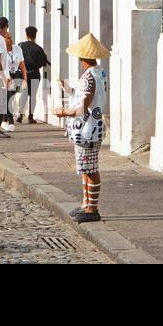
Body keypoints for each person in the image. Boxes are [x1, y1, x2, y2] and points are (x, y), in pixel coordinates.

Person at [55, 34, 110, 223]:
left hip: (87, 129)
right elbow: (85, 97)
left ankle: (92, 208)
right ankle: (86, 204)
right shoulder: (99, 72)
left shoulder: (89, 77)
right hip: (93, 126)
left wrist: (63, 112)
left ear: (82, 58)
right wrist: (68, 89)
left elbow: (82, 107)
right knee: (86, 167)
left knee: (90, 168)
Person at [17, 26, 50, 123]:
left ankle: (20, 115)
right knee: (33, 95)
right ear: (35, 36)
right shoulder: (38, 48)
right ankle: (30, 117)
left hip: (23, 74)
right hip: (35, 74)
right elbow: (42, 63)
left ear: (26, 35)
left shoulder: (20, 46)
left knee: (23, 94)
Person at [2, 28, 27, 133]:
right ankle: (8, 121)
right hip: (5, 75)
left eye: (11, 37)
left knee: (10, 97)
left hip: (16, 75)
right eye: (8, 38)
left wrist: (25, 78)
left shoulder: (17, 49)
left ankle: (8, 121)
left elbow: (22, 64)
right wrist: (7, 77)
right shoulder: (1, 51)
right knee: (6, 98)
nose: (10, 40)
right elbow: (1, 65)